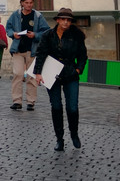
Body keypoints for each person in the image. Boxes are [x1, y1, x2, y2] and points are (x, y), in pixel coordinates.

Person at [34, 8, 89, 151]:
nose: (66, 22)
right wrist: (38, 73)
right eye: (63, 19)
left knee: (72, 106)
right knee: (56, 106)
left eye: (69, 20)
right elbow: (41, 54)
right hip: (52, 74)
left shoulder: (76, 36)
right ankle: (59, 139)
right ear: (57, 20)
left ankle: (74, 134)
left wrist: (78, 69)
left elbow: (83, 56)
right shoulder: (48, 35)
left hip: (70, 74)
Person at [5, 0, 50, 111]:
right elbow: (8, 28)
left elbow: (46, 31)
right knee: (18, 74)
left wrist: (35, 35)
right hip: (18, 49)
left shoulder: (38, 16)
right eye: (26, 3)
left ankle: (31, 102)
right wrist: (13, 34)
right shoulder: (15, 15)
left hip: (32, 50)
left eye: (31, 3)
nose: (29, 5)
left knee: (31, 77)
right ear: (22, 3)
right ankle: (17, 101)